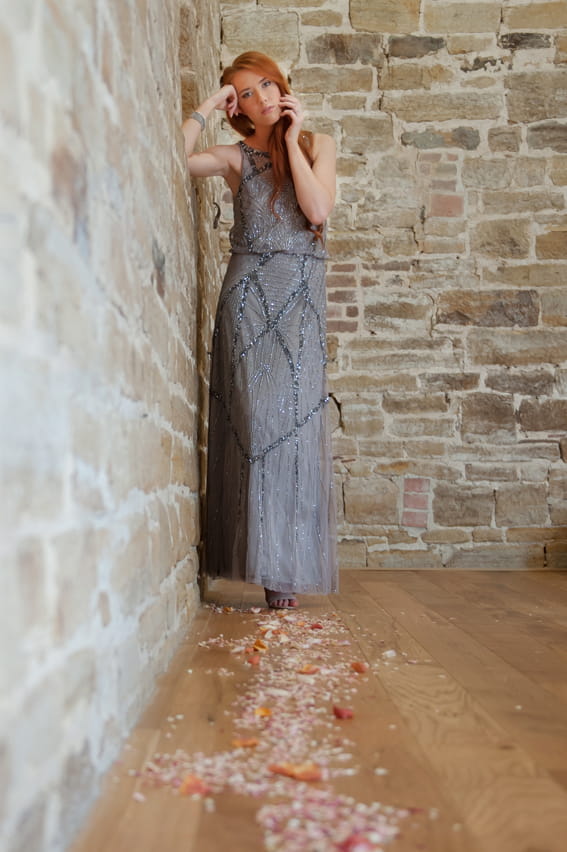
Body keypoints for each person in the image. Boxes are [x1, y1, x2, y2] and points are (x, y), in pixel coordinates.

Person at [182, 51, 337, 609]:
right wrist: (205, 107)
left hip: (300, 298)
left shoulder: (318, 145)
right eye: (246, 93)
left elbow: (317, 211)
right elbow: (173, 159)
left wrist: (291, 142)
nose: (262, 97)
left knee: (292, 427)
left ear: (283, 87)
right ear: (237, 108)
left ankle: (285, 567)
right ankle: (263, 566)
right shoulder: (233, 157)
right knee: (256, 422)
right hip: (247, 297)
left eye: (267, 84)